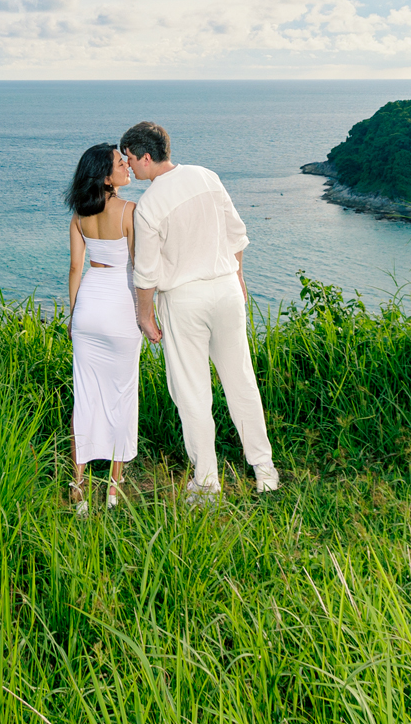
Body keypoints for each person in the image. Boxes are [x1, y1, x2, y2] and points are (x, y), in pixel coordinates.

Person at [124, 119, 278, 499]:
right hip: (225, 289)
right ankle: (265, 471)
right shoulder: (207, 176)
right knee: (240, 380)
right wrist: (238, 277)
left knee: (192, 391)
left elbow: (145, 273)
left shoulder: (149, 204)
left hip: (184, 300)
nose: (128, 166)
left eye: (129, 158)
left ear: (146, 156)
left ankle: (207, 483)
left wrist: (144, 316)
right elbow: (236, 233)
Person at [64, 141, 139, 512]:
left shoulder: (79, 214)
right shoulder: (130, 211)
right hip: (121, 307)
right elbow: (141, 271)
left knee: (86, 398)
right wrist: (148, 316)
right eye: (118, 162)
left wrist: (72, 316)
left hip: (88, 308)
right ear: (105, 176)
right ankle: (113, 486)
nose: (126, 165)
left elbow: (76, 268)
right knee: (121, 396)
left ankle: (77, 487)